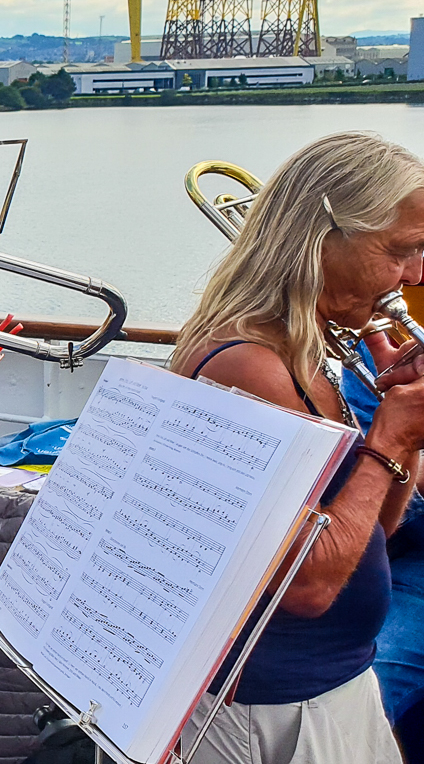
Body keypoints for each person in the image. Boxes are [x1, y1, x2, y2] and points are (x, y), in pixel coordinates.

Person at [171, 131, 424, 764]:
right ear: (322, 239)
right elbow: (306, 586)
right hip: (280, 710)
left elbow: (372, 537)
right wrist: (388, 438)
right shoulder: (253, 365)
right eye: (401, 251)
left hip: (326, 686)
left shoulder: (302, 351)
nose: (416, 275)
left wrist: (405, 437)